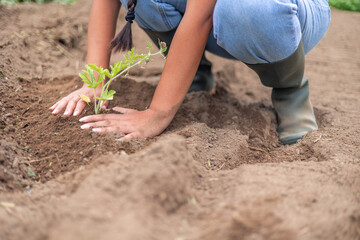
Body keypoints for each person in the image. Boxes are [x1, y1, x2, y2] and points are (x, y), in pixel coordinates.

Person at [49, 0, 331, 144]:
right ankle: (195, 73)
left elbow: (201, 16)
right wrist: (95, 81)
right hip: (213, 14)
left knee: (248, 9)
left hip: (281, 13)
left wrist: (156, 113)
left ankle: (290, 88)